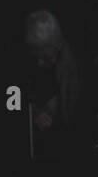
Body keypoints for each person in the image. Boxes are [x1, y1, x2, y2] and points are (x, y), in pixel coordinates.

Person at [24, 9, 79, 158]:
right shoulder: (61, 58)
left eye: (42, 54)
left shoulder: (68, 70)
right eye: (36, 55)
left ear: (52, 46)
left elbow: (72, 127)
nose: (39, 62)